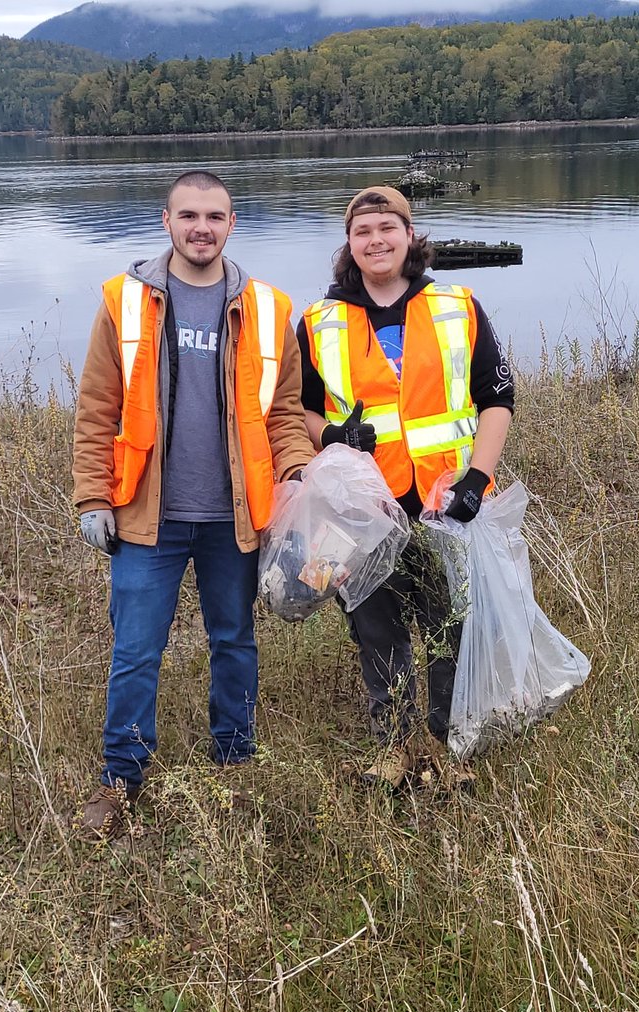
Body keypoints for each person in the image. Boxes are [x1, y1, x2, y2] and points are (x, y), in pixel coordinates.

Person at [73, 169, 315, 837]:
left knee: (234, 641)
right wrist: (94, 496)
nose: (201, 227)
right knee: (136, 650)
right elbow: (97, 409)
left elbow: (286, 414)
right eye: (189, 215)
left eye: (214, 215)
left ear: (231, 223)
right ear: (167, 221)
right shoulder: (126, 302)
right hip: (147, 518)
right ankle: (120, 779)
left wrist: (296, 472)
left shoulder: (268, 309)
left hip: (234, 519)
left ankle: (235, 760)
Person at [298, 186, 514, 787]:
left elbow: (498, 399)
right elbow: (300, 411)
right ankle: (392, 749)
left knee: (451, 625)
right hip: (363, 509)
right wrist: (330, 434)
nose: (376, 240)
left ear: (409, 235)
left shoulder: (457, 304)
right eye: (363, 230)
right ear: (349, 243)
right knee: (376, 626)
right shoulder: (319, 321)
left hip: (445, 504)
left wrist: (477, 479)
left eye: (388, 227)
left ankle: (447, 750)